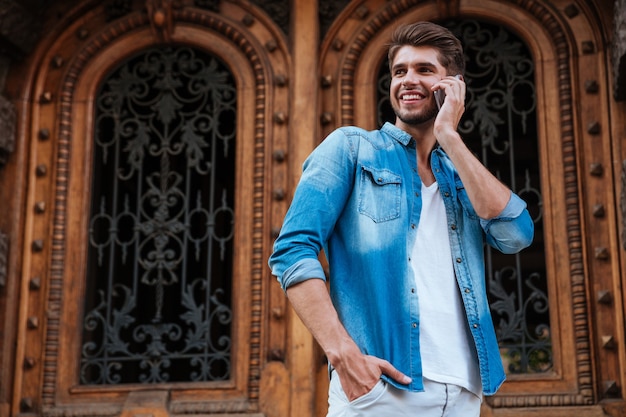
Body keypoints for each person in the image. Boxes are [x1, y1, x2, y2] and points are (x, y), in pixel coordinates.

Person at [268, 21, 534, 416]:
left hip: (464, 392)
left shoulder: (461, 175)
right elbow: (291, 252)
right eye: (399, 71)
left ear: (453, 85)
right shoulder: (351, 148)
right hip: (383, 389)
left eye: (424, 70)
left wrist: (450, 138)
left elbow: (516, 235)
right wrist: (344, 356)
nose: (408, 80)